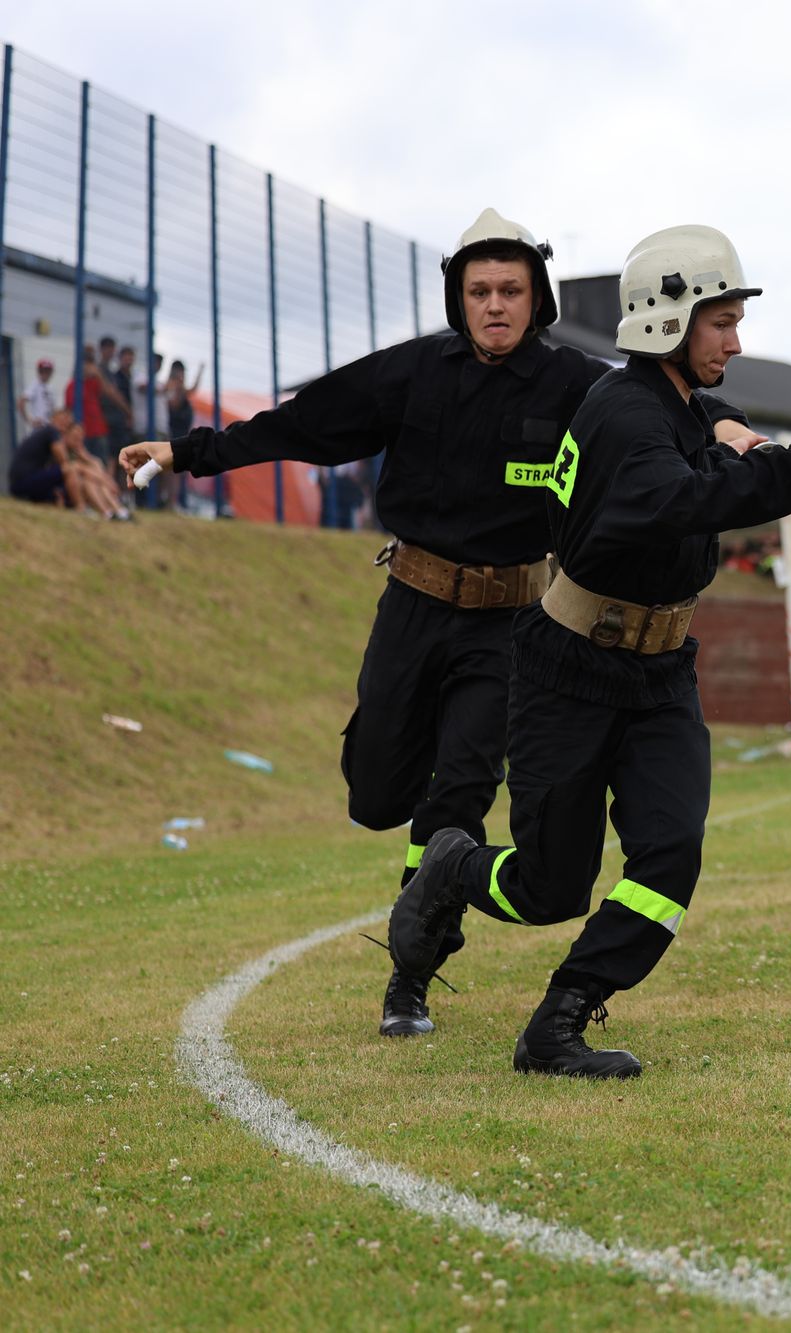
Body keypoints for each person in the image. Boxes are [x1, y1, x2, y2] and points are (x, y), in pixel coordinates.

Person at [122, 209, 758, 1042]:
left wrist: (728, 424)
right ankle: (405, 831)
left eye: (512, 290)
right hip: (414, 609)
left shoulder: (579, 383)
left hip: (512, 625)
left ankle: (409, 978)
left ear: (540, 299)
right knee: (376, 792)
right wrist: (184, 452)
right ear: (459, 298)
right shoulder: (413, 372)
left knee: (459, 791)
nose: (496, 305)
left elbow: (665, 394)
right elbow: (302, 426)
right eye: (480, 290)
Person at [389, 223, 791, 1079]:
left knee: (669, 853)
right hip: (569, 671)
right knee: (547, 888)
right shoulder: (623, 417)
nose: (734, 338)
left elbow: (706, 431)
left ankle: (560, 1019)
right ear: (667, 319)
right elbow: (694, 501)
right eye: (719, 321)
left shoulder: (675, 401)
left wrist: (737, 430)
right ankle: (453, 866)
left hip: (658, 673)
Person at [17, 357, 58, 433]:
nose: (45, 373)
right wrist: (29, 420)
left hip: (50, 426)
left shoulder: (51, 387)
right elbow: (21, 401)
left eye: (48, 371)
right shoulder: (35, 385)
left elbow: (53, 408)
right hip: (39, 427)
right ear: (39, 371)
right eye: (43, 371)